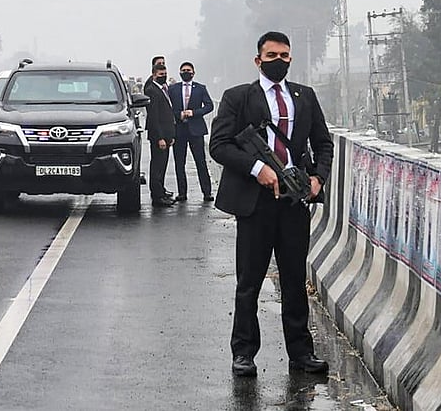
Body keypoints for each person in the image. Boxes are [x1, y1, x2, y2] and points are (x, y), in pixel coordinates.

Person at [209, 31, 334, 377]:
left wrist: (317, 179)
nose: (279, 61)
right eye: (272, 55)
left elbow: (324, 144)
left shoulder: (304, 97)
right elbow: (218, 145)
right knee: (249, 281)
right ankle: (244, 353)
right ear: (258, 59)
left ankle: (301, 353)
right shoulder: (238, 98)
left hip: (294, 201)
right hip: (255, 202)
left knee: (294, 279)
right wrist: (257, 168)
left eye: (285, 56)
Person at [168, 61, 215, 202]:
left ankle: (207, 192)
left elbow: (209, 106)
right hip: (179, 130)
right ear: (179, 72)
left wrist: (194, 112)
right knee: (179, 163)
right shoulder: (173, 89)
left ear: (193, 73)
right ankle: (182, 193)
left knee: (201, 162)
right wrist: (179, 114)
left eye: (188, 70)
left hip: (196, 130)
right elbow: (168, 109)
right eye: (183, 70)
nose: (186, 72)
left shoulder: (200, 88)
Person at [143, 63, 176, 207]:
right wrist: (160, 137)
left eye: (165, 74)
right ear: (154, 75)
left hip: (167, 134)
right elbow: (154, 117)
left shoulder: (163, 89)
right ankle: (157, 196)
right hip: (159, 136)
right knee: (157, 166)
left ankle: (161, 191)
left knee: (162, 165)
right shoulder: (152, 90)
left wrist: (171, 135)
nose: (164, 77)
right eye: (160, 75)